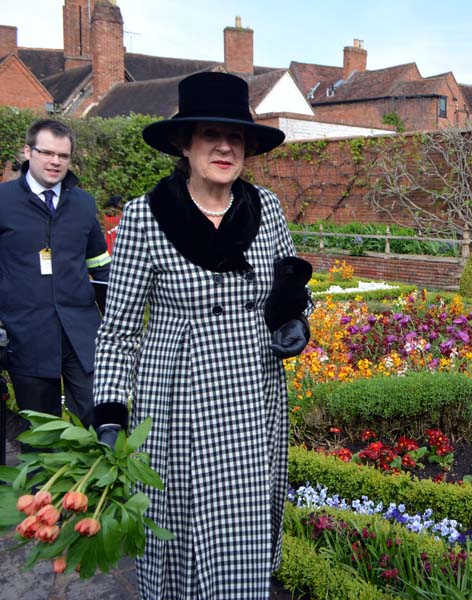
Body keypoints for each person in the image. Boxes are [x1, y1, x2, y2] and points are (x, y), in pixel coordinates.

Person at [92, 72, 312, 599]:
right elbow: (119, 331)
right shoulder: (148, 217)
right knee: (185, 533)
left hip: (253, 397)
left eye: (235, 136)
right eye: (210, 134)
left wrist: (296, 322)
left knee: (245, 530)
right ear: (183, 143)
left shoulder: (268, 209)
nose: (223, 146)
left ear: (246, 148)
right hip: (177, 401)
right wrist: (109, 415)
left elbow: (292, 291)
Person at [0, 119, 110, 439]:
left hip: (82, 335)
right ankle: (43, 491)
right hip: (26, 336)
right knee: (41, 434)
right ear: (27, 152)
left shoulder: (84, 204)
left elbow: (100, 267)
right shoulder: (3, 202)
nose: (55, 161)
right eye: (47, 152)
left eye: (63, 155)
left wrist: (119, 322)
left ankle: (101, 487)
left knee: (101, 421)